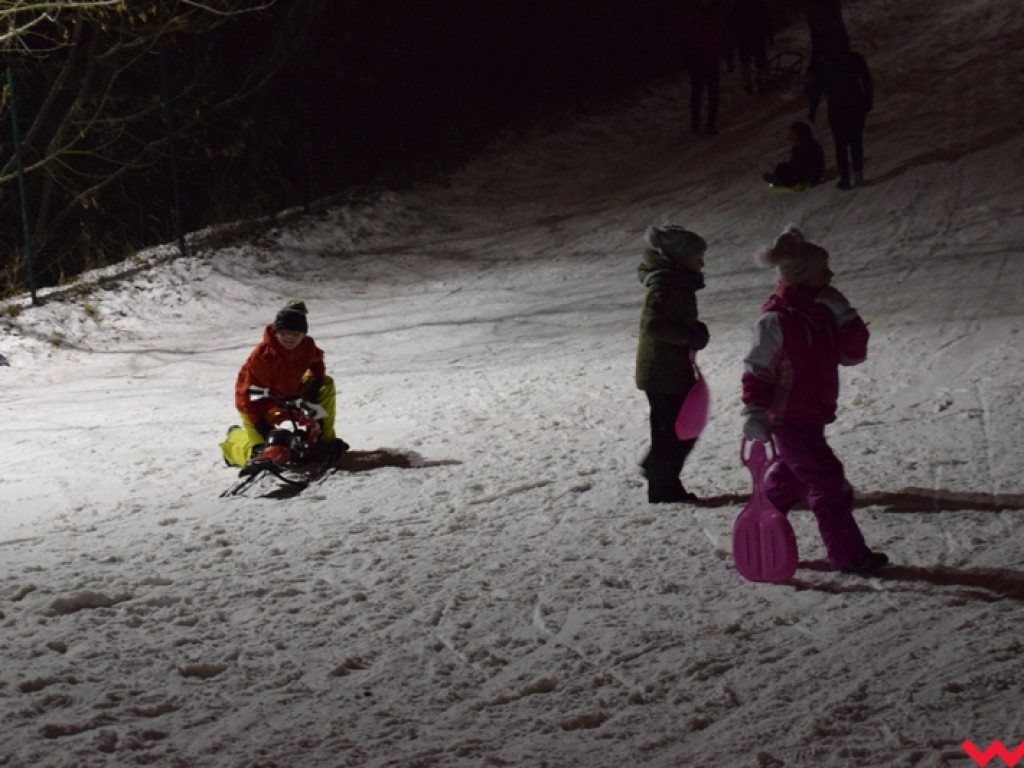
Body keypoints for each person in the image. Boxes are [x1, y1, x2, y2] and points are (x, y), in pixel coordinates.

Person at [741, 225, 887, 574]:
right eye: (824, 269)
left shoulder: (820, 313)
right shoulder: (775, 320)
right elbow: (757, 369)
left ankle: (759, 532)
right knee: (827, 482)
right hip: (788, 419)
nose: (831, 274)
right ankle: (849, 557)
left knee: (790, 480)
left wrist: (847, 317)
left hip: (811, 414)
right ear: (802, 276)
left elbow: (852, 356)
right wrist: (754, 409)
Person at [635, 225, 711, 503]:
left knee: (675, 430)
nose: (702, 262)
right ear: (680, 259)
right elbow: (653, 326)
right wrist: (687, 334)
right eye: (697, 256)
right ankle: (663, 489)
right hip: (661, 371)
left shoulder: (676, 283)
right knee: (674, 433)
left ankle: (657, 472)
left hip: (670, 368)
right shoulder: (665, 286)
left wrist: (692, 329)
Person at [220, 300, 344, 468]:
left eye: (295, 334)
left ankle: (324, 440)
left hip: (290, 395)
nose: (289, 338)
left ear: (303, 334)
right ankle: (233, 441)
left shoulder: (307, 346)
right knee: (264, 451)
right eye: (285, 333)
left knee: (326, 384)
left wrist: (314, 381)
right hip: (259, 404)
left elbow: (316, 361)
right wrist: (260, 424)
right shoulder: (264, 357)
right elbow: (248, 396)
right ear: (277, 333)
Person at [807, 35, 873, 189]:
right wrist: (868, 99)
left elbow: (817, 89)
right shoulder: (854, 60)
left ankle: (846, 177)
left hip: (838, 108)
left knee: (841, 144)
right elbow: (866, 80)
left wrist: (812, 109)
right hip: (855, 105)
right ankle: (857, 174)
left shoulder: (826, 65)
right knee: (855, 142)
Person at [681, 0, 732, 135]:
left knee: (711, 93)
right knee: (699, 92)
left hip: (710, 61)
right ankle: (696, 122)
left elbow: (723, 39)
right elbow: (685, 41)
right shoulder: (694, 20)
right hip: (697, 62)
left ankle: (710, 123)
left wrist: (728, 57)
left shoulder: (715, 20)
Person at [762, 121, 825, 188]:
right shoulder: (798, 147)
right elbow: (794, 163)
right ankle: (777, 179)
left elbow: (814, 166)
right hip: (799, 171)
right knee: (782, 166)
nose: (789, 137)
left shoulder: (811, 147)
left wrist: (812, 180)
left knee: (794, 175)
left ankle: (782, 181)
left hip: (806, 175)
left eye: (792, 134)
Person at [730, 0, 774, 94]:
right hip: (753, 37)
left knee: (749, 62)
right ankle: (757, 84)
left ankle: (751, 84)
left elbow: (732, 21)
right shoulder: (758, 4)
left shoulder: (740, 4)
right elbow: (766, 19)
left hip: (748, 37)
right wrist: (770, 35)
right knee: (756, 62)